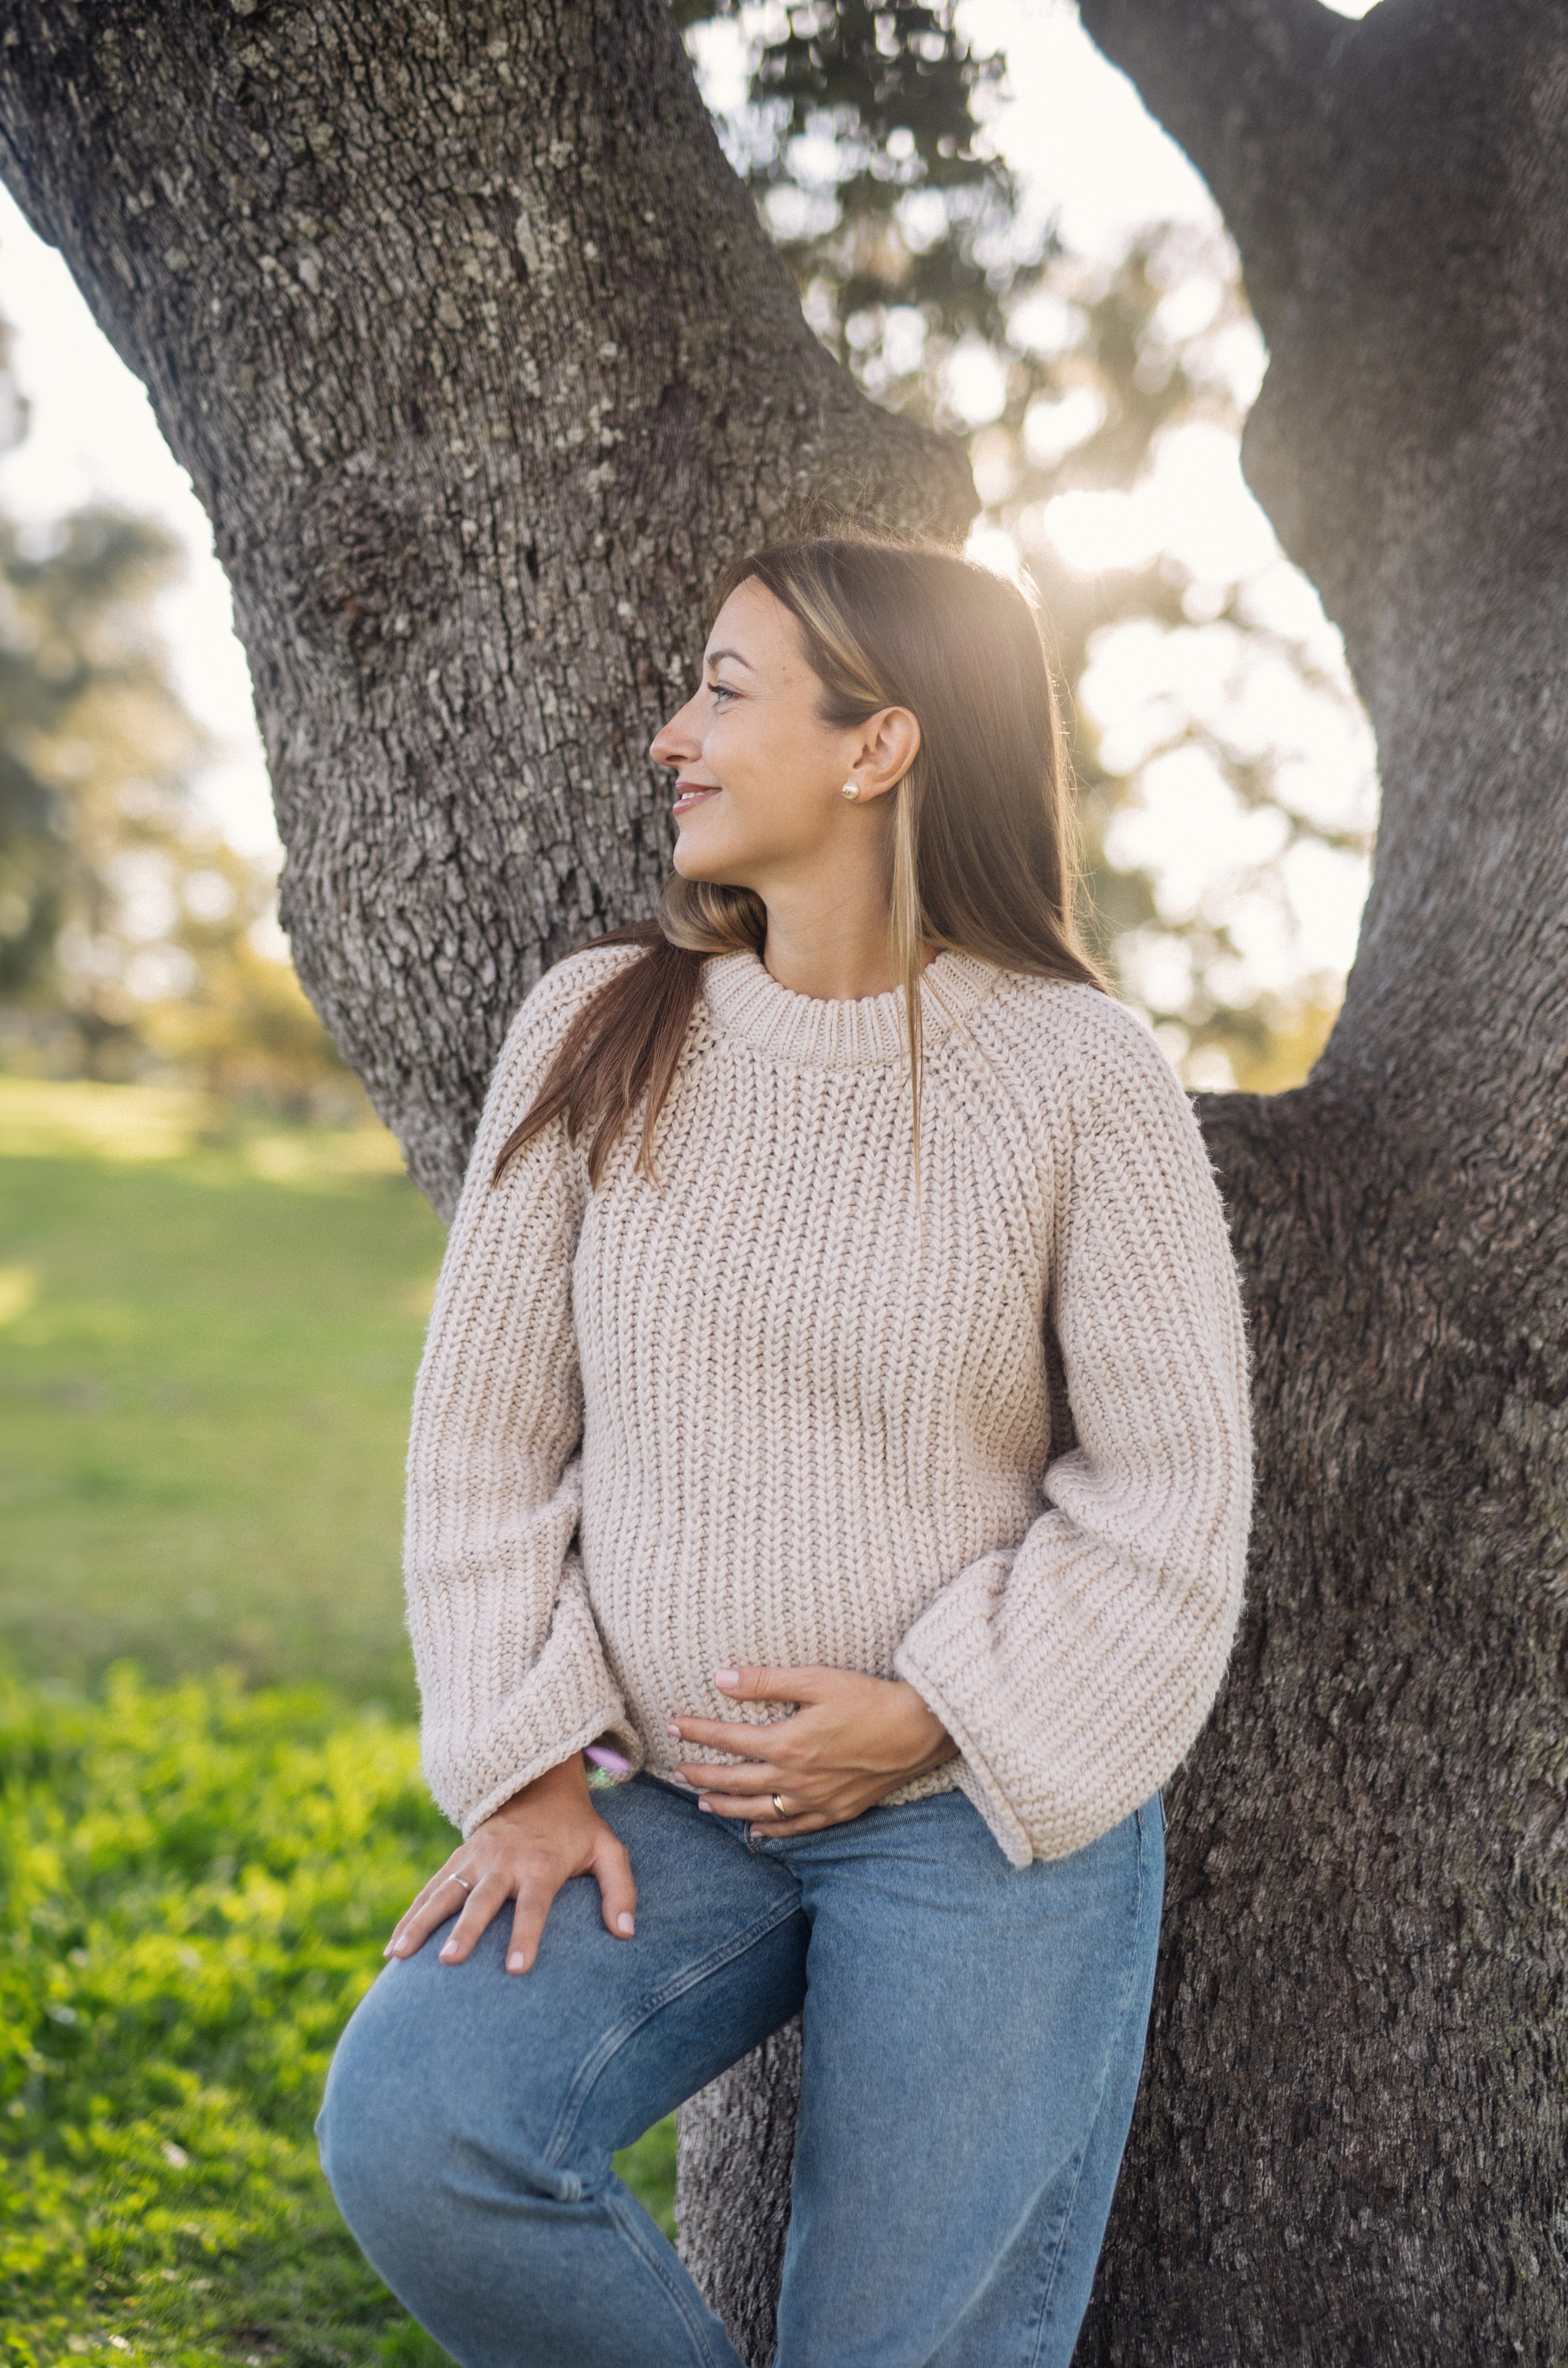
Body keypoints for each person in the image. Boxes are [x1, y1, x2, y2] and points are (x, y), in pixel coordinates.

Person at [316, 533, 1253, 2368]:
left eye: (726, 692)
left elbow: (1168, 1494)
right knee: (424, 2134)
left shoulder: (1079, 1075)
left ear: (878, 746)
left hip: (981, 1808)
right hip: (661, 1803)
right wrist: (527, 1766)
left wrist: (934, 1714)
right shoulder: (603, 1028)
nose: (674, 734)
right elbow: (484, 1444)